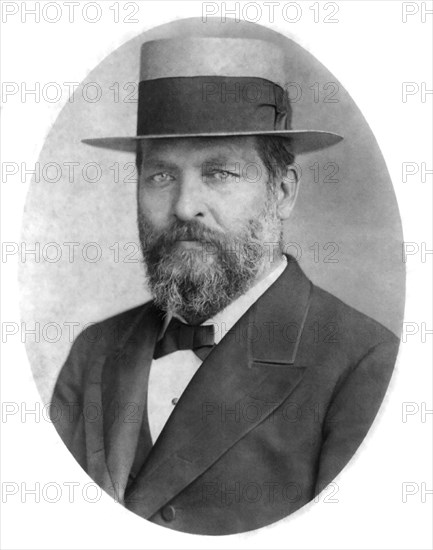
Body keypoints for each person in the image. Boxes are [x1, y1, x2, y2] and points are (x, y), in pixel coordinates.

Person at [50, 36, 399, 535]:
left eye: (219, 173)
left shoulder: (364, 363)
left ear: (282, 192)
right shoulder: (94, 350)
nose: (184, 205)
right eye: (160, 176)